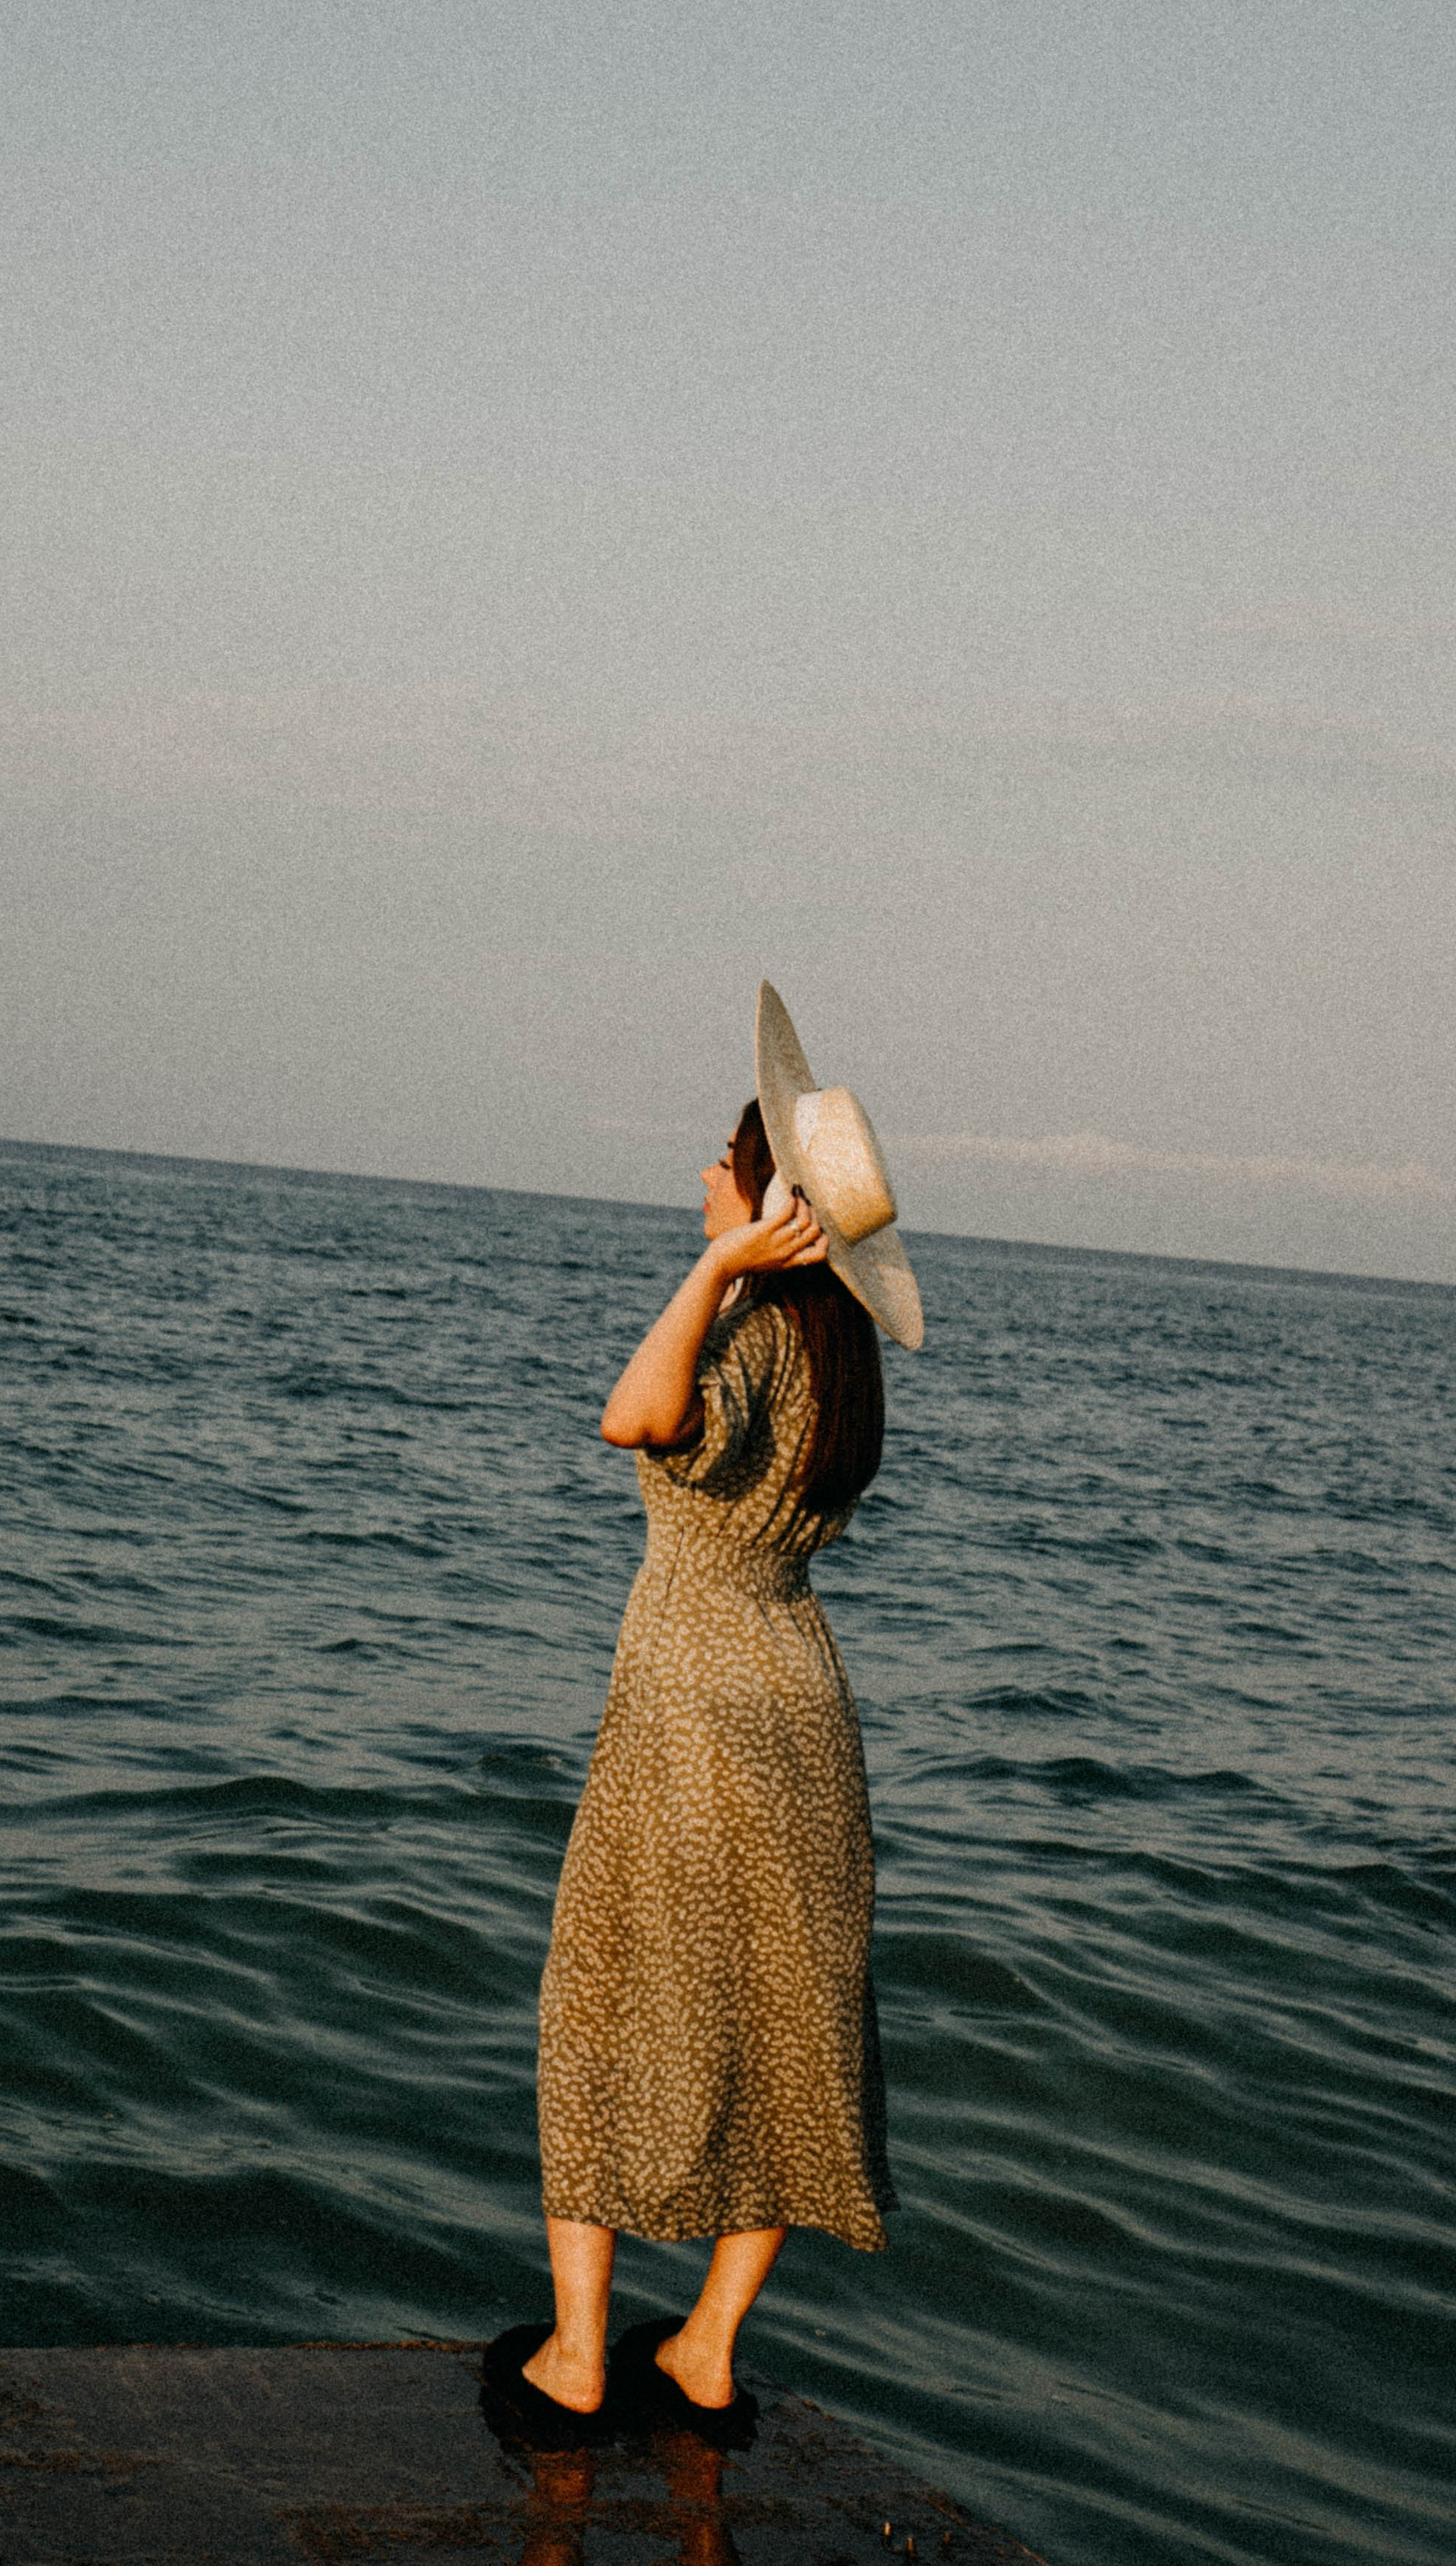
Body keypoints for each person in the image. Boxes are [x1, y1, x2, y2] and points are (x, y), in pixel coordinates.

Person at [485, 989, 920, 2445]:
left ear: (769, 1201)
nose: (702, 1178)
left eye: (721, 1167)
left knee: (599, 2002)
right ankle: (711, 2351)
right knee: (796, 2028)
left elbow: (633, 1416)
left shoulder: (740, 1338)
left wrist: (714, 1267)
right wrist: (737, 1262)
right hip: (807, 1706)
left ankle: (581, 2359)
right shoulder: (842, 1371)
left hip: (692, 1703)